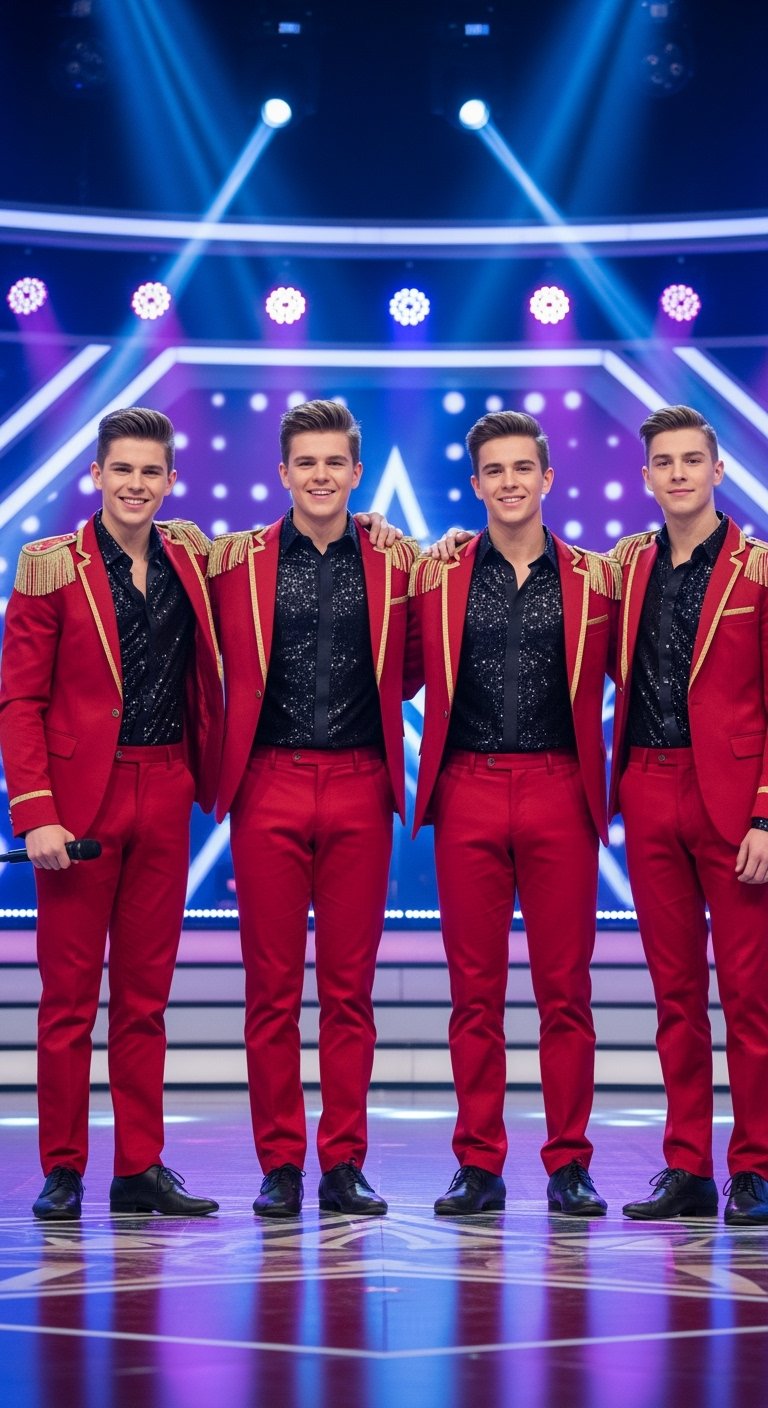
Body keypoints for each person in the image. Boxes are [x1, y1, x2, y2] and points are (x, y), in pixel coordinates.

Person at [0, 407, 223, 1221]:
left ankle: (139, 1167)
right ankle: (63, 1168)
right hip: (77, 806)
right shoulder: (48, 566)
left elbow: (282, 542)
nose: (135, 484)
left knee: (144, 999)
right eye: (121, 469)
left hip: (165, 789)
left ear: (170, 479)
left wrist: (371, 526)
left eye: (150, 471)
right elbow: (19, 700)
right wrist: (35, 813)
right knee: (68, 1001)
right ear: (95, 474)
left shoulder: (191, 555)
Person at [208, 398, 419, 1218]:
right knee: (269, 991)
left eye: (335, 462)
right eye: (307, 462)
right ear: (283, 472)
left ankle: (343, 1164)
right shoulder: (236, 561)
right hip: (267, 782)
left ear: (356, 473)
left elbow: (413, 664)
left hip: (362, 783)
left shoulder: (397, 561)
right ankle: (279, 1165)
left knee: (348, 992)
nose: (321, 475)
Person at [410, 410, 618, 1216]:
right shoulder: (438, 575)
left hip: (561, 787)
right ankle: (479, 1164)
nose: (509, 482)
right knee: (475, 993)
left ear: (547, 478)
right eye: (493, 470)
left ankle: (570, 1164)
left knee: (566, 991)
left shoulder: (597, 579)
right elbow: (395, 667)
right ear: (475, 484)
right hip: (466, 786)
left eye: (522, 468)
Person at [610, 405, 768, 1225]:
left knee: (750, 997)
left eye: (691, 460)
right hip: (647, 785)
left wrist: (767, 817)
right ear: (646, 478)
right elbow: (537, 561)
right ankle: (687, 1168)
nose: (678, 473)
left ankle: (757, 1167)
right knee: (675, 996)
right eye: (663, 462)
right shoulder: (626, 566)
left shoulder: (759, 570)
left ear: (718, 470)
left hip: (735, 805)